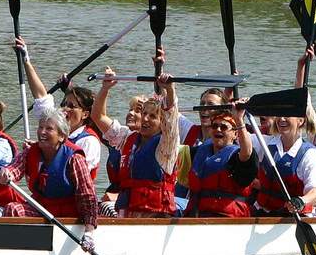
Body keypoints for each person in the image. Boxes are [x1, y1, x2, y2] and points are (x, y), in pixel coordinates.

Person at [0, 109, 97, 249]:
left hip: (67, 216)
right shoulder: (31, 152)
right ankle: (14, 247)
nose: (42, 132)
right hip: (41, 208)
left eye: (49, 129)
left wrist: (89, 232)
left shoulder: (75, 158)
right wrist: (6, 173)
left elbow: (87, 196)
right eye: (40, 127)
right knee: (12, 209)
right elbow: (15, 168)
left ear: (62, 136)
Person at [92, 62, 179, 217]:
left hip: (155, 215)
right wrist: (105, 88)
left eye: (152, 116)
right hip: (128, 210)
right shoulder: (127, 137)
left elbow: (171, 119)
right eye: (144, 113)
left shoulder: (166, 144)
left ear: (161, 123)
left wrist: (170, 90)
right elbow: (97, 117)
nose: (145, 118)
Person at [15, 37, 101, 178]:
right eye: (64, 104)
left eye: (72, 106)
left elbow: (75, 172)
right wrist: (26, 60)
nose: (65, 109)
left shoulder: (89, 141)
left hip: (70, 197)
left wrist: (40, 149)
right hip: (46, 195)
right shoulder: (54, 123)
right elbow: (41, 96)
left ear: (85, 114)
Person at [185, 105, 258, 217]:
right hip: (199, 215)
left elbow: (247, 153)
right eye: (214, 126)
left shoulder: (236, 156)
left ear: (235, 134)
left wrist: (239, 120)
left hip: (229, 217)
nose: (218, 129)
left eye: (223, 127)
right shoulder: (199, 152)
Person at [253, 114, 316, 216]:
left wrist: (301, 201)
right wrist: (239, 119)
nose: (282, 119)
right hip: (263, 212)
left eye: (287, 115)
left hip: (293, 217)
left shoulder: (309, 155)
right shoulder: (266, 143)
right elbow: (242, 141)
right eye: (279, 115)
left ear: (300, 121)